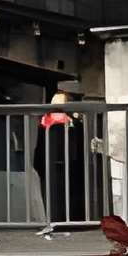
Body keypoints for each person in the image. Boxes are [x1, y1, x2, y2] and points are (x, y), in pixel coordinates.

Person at [34, 86, 92, 233]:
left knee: (53, 195)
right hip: (68, 164)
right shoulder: (74, 123)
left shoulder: (44, 122)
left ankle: (54, 222)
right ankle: (69, 222)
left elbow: (39, 148)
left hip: (51, 164)